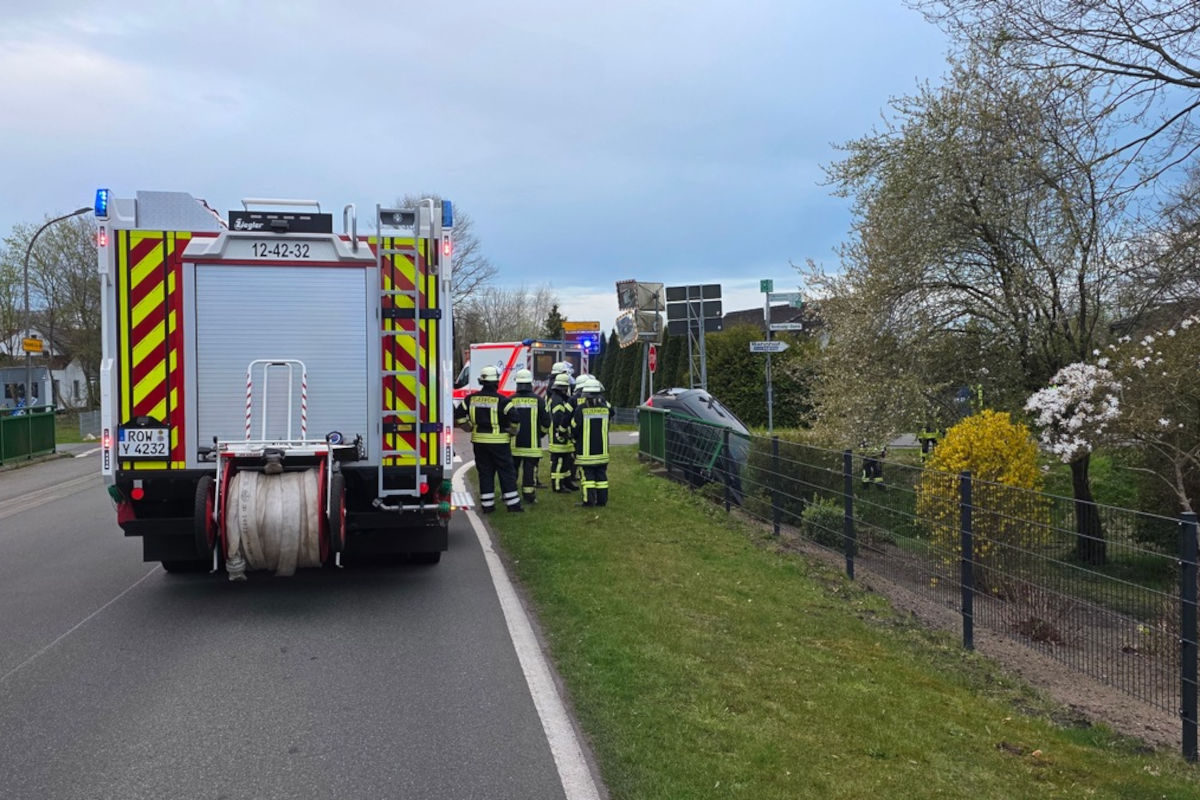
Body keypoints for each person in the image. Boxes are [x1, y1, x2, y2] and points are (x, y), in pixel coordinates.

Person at [454, 365, 523, 513]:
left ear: (482, 381)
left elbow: (458, 415)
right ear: (496, 382)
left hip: (479, 442)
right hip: (499, 442)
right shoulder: (503, 401)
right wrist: (511, 431)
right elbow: (515, 418)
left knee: (485, 472)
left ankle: (487, 505)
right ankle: (513, 505)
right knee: (506, 472)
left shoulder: (470, 399)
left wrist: (468, 427)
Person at [509, 368, 548, 504]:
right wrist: (540, 434)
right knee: (529, 472)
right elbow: (546, 422)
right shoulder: (539, 400)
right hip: (532, 446)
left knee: (512, 472)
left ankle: (510, 495)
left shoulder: (510, 400)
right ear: (530, 384)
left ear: (517, 384)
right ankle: (529, 496)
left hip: (514, 446)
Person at [572, 379, 611, 507]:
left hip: (586, 452)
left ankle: (588, 501)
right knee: (601, 477)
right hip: (602, 451)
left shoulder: (581, 409)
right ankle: (602, 501)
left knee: (588, 477)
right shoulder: (606, 409)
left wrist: (573, 439)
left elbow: (575, 428)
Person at [546, 371, 577, 493]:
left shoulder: (558, 398)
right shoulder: (557, 401)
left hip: (561, 436)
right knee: (558, 461)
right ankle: (558, 485)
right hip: (558, 436)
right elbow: (558, 418)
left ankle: (567, 481)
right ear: (564, 388)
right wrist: (562, 432)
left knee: (566, 459)